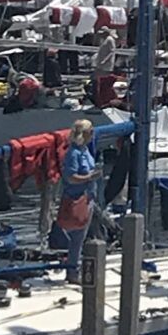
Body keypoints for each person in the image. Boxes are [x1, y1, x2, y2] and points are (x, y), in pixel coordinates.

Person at [54, 120, 99, 281]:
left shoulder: (85, 149)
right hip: (76, 199)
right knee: (77, 239)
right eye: (91, 131)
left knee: (83, 236)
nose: (93, 133)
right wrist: (89, 177)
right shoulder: (73, 153)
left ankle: (75, 267)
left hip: (88, 198)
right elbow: (70, 177)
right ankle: (73, 272)